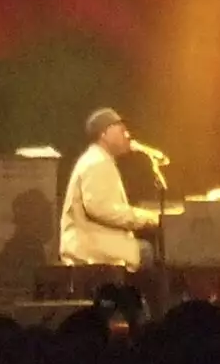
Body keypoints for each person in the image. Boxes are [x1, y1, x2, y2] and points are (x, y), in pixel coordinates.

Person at [59, 108, 159, 269]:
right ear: (104, 134)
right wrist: (148, 218)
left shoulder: (98, 159)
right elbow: (100, 208)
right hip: (89, 244)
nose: (127, 135)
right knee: (146, 252)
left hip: (94, 240)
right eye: (121, 131)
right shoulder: (97, 162)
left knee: (144, 249)